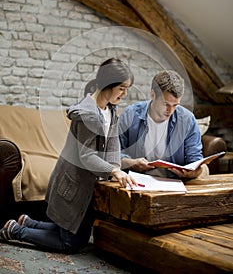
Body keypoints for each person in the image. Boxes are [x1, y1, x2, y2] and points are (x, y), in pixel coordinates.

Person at [0, 58, 137, 253]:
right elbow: (86, 157)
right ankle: (15, 230)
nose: (124, 94)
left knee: (70, 232)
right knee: (70, 243)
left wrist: (116, 171)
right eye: (122, 88)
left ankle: (27, 221)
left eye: (127, 89)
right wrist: (114, 170)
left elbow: (114, 146)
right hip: (73, 185)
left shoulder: (111, 111)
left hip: (87, 186)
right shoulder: (88, 114)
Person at [119, 70, 208, 180]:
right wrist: (131, 163)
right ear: (153, 94)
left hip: (175, 183)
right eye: (166, 104)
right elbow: (114, 154)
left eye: (175, 105)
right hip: (137, 181)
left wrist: (193, 173)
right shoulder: (130, 115)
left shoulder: (187, 120)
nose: (170, 111)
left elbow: (195, 160)